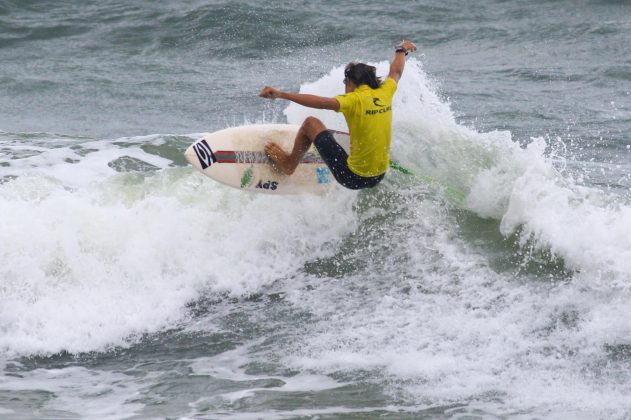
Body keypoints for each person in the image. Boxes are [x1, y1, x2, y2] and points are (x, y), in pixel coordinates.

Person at [258, 40, 417, 190]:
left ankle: (289, 164)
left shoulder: (353, 100)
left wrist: (281, 94)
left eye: (344, 83)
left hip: (352, 177)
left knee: (311, 123)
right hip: (378, 176)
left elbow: (321, 103)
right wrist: (401, 49)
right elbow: (396, 70)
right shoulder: (386, 92)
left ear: (350, 82)